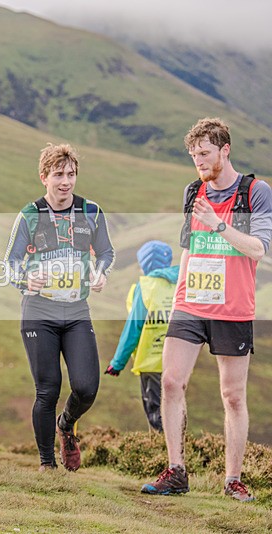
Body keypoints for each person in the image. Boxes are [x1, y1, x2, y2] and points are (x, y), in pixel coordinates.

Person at [141, 118, 272, 502]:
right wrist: (178, 295)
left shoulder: (255, 192)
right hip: (190, 304)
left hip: (233, 307)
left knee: (232, 395)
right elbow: (187, 246)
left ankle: (233, 479)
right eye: (193, 155)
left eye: (205, 154)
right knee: (170, 381)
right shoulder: (192, 191)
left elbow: (259, 249)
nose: (198, 162)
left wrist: (218, 226)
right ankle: (176, 470)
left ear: (224, 150)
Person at [4, 143, 114, 472]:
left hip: (77, 312)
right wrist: (25, 281)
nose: (65, 181)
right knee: (48, 389)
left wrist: (100, 271)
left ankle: (65, 426)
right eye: (58, 175)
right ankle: (46, 464)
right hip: (39, 312)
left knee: (86, 387)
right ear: (44, 177)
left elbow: (107, 252)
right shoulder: (29, 215)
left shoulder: (91, 212)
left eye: (70, 174)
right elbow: (9, 263)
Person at [105, 241, 178, 433]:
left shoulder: (145, 287)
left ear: (144, 265)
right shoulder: (179, 284)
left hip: (151, 361)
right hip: (179, 360)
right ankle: (181, 450)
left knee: (156, 410)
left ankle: (162, 452)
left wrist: (117, 362)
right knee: (177, 405)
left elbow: (133, 327)